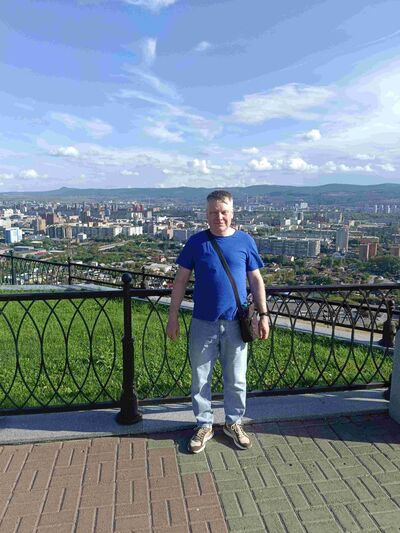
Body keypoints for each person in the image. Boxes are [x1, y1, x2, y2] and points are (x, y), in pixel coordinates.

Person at [166, 190, 269, 453]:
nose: (218, 217)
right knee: (200, 379)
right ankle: (204, 424)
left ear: (232, 213)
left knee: (236, 378)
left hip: (236, 322)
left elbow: (256, 280)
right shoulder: (196, 242)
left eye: (223, 212)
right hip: (203, 322)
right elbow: (180, 280)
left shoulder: (245, 241)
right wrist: (173, 316)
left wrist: (264, 315)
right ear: (206, 214)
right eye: (213, 212)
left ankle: (234, 422)